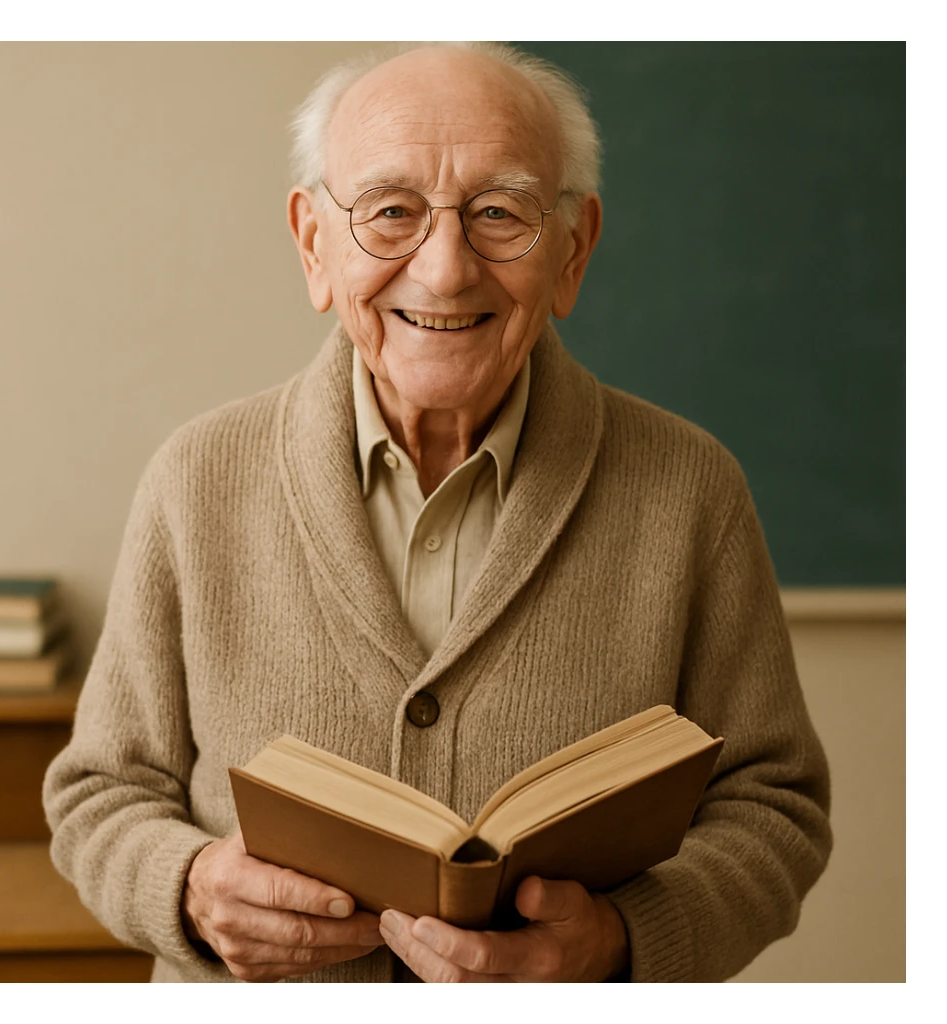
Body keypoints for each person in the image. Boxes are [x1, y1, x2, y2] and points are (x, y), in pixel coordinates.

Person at [43, 41, 832, 984]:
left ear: (573, 251)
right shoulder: (197, 478)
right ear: (314, 246)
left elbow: (775, 809)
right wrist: (190, 887)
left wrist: (620, 943)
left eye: (500, 213)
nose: (447, 269)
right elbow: (100, 794)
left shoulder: (691, 489)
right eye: (391, 214)